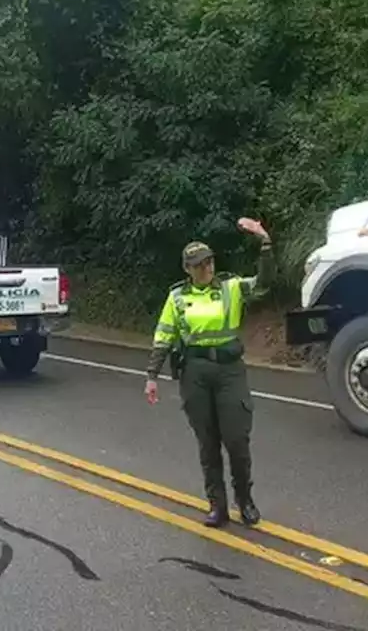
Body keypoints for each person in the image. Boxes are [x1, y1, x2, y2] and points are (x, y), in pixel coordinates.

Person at [144, 217, 274, 528]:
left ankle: (245, 500)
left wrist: (265, 243)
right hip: (195, 373)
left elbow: (264, 283)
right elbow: (164, 336)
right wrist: (152, 376)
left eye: (209, 262)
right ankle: (217, 505)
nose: (207, 268)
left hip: (229, 370)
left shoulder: (231, 287)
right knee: (208, 442)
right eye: (200, 265)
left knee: (237, 440)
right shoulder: (177, 297)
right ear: (188, 269)